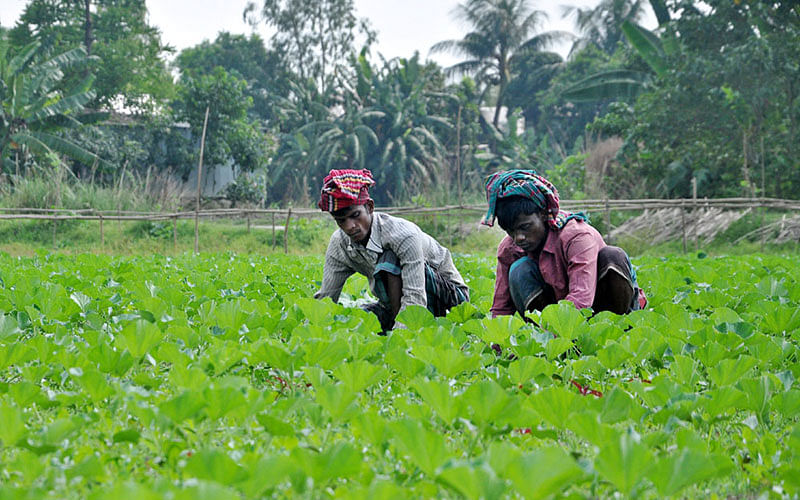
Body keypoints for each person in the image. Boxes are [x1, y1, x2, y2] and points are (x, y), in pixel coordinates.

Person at [314, 169, 469, 331]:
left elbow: (415, 297)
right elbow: (327, 296)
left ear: (370, 207)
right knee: (354, 324)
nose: (349, 226)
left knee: (389, 260)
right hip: (392, 304)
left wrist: (398, 338)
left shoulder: (403, 235)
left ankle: (399, 327)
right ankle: (393, 322)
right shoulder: (340, 242)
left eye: (355, 215)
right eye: (341, 221)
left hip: (450, 301)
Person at [482, 170, 646, 318]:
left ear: (544, 214)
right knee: (519, 270)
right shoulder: (510, 248)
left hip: (601, 306)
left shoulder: (576, 237)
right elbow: (501, 307)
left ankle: (622, 328)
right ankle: (545, 337)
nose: (518, 238)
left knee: (613, 256)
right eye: (511, 231)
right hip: (557, 318)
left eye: (525, 227)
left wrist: (561, 333)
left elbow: (581, 297)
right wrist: (497, 344)